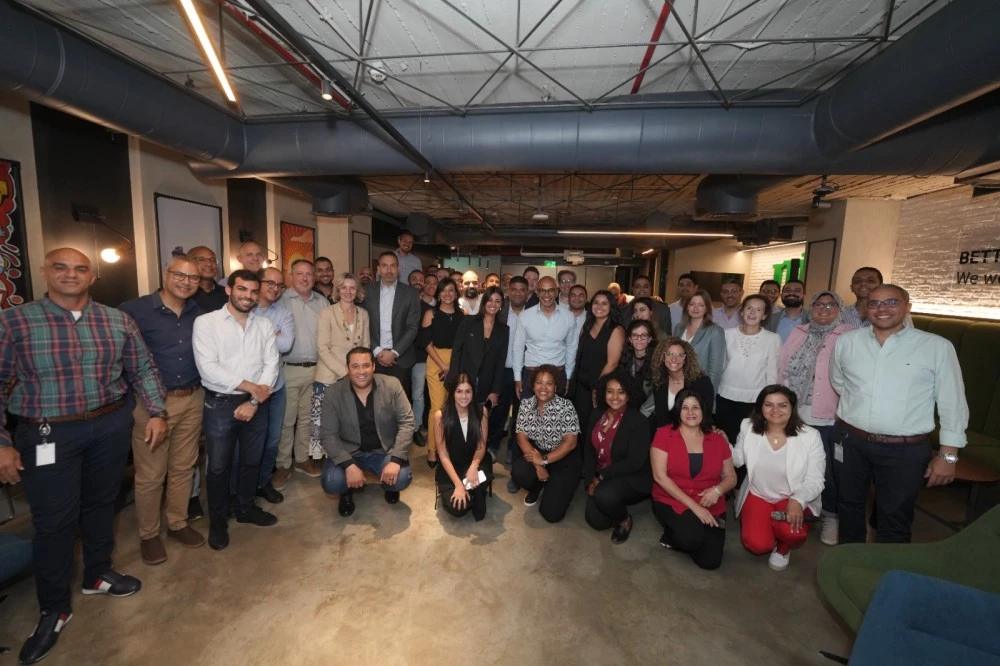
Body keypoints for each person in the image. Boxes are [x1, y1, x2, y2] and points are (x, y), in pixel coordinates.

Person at [0, 248, 168, 665]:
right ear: (45, 272)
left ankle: (97, 574)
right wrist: (2, 443)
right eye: (60, 267)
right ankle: (54, 608)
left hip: (108, 426)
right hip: (47, 432)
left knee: (101, 504)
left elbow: (143, 367)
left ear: (92, 277)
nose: (70, 274)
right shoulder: (14, 322)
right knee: (54, 521)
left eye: (80, 269)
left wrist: (157, 411)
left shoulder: (116, 320)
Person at [831, 284, 968, 544]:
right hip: (850, 441)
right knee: (848, 506)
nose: (882, 309)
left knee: (895, 518)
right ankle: (848, 562)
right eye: (874, 303)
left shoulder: (936, 347)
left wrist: (948, 455)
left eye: (891, 302)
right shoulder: (847, 342)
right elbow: (840, 383)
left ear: (908, 306)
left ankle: (888, 568)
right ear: (865, 309)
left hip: (905, 450)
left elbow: (953, 402)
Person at [118, 256, 206, 566]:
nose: (186, 282)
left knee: (184, 466)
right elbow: (121, 357)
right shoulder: (134, 310)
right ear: (166, 274)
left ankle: (178, 523)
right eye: (180, 275)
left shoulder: (200, 313)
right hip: (151, 403)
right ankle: (149, 534)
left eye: (193, 278)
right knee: (151, 473)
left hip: (193, 397)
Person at [192, 270, 281, 551]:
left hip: (257, 404)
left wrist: (253, 401)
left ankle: (245, 508)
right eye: (242, 289)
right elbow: (208, 368)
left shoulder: (264, 325)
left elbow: (272, 365)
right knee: (218, 467)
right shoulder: (206, 323)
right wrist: (251, 388)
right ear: (229, 289)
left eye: (253, 291)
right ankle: (218, 521)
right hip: (220, 404)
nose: (248, 296)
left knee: (252, 461)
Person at [778, 291, 854, 546]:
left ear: (840, 309)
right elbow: (782, 367)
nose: (824, 308)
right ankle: (796, 507)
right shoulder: (799, 331)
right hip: (794, 412)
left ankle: (831, 517)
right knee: (794, 465)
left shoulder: (849, 335)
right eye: (819, 304)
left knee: (826, 470)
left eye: (831, 305)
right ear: (810, 308)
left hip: (828, 416)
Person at [732, 385, 826, 571]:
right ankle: (769, 532)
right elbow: (737, 459)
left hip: (791, 497)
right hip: (758, 494)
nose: (775, 410)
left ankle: (784, 547)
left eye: (782, 405)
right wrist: (719, 442)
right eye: (769, 405)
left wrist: (798, 500)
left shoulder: (810, 436)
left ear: (792, 407)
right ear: (760, 407)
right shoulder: (748, 427)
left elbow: (816, 480)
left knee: (794, 534)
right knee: (756, 545)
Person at [319, 347, 414, 518]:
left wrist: (395, 460)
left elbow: (407, 422)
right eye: (355, 366)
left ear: (374, 367)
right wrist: (348, 465)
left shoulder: (392, 385)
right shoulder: (333, 393)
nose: (361, 371)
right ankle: (346, 492)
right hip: (350, 452)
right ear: (348, 368)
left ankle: (389, 485)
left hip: (383, 451)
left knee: (401, 478)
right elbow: (328, 435)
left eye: (366, 366)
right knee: (332, 481)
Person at [650, 389, 737, 570]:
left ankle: (687, 528)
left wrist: (718, 490)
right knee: (690, 540)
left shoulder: (718, 439)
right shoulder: (664, 434)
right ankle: (674, 531)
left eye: (695, 407)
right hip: (672, 498)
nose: (690, 412)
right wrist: (696, 509)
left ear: (703, 410)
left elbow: (731, 477)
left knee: (710, 562)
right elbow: (660, 477)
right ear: (678, 411)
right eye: (685, 407)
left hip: (709, 500)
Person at [583, 371, 652, 543]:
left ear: (629, 395)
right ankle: (611, 503)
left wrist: (600, 476)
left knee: (604, 496)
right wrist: (590, 479)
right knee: (596, 521)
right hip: (603, 473)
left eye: (621, 392)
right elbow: (589, 449)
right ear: (603, 393)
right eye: (610, 391)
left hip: (631, 475)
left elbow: (634, 462)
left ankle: (624, 520)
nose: (615, 397)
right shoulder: (597, 414)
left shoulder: (639, 422)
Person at [275, 259, 326, 481]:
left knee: (306, 418)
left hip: (316, 369)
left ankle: (302, 459)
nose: (305, 278)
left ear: (314, 277)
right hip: (289, 369)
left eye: (309, 274)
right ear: (290, 276)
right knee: (287, 420)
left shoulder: (322, 302)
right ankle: (283, 463)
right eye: (299, 273)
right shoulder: (281, 300)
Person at [511, 366, 582, 521]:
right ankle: (539, 485)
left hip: (565, 457)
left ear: (556, 387)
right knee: (519, 472)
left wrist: (544, 461)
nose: (543, 388)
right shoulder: (526, 405)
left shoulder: (566, 406)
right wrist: (538, 466)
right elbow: (521, 438)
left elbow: (570, 443)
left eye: (549, 383)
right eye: (539, 383)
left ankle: (556, 485)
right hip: (540, 452)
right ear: (533, 386)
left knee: (551, 514)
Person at [314, 272, 371, 467]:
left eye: (352, 287)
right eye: (344, 287)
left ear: (358, 291)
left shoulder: (363, 314)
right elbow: (322, 348)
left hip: (356, 378)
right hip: (330, 376)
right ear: (337, 290)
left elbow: (365, 347)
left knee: (349, 422)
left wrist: (358, 371)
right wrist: (344, 372)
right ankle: (329, 465)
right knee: (327, 424)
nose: (348, 291)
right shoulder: (327, 313)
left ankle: (349, 460)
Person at [249, 267, 295, 502]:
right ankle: (244, 488)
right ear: (259, 283)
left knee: (273, 439)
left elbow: (286, 344)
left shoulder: (284, 313)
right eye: (270, 283)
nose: (275, 288)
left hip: (276, 387)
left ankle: (262, 482)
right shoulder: (245, 307)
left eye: (279, 285)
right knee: (250, 442)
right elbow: (241, 343)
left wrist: (259, 334)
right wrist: (272, 334)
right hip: (248, 388)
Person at [715, 294, 780, 444]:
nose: (752, 313)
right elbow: (721, 366)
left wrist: (768, 401)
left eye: (758, 310)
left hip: (755, 401)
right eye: (749, 308)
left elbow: (772, 373)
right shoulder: (727, 334)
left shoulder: (772, 339)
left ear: (764, 315)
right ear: (741, 312)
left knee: (749, 442)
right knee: (724, 441)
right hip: (725, 397)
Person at [434, 374, 493, 521]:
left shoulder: (481, 412)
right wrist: (458, 485)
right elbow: (443, 455)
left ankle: (473, 489)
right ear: (452, 393)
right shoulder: (441, 416)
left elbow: (481, 446)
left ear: (473, 392)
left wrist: (474, 466)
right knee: (457, 508)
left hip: (476, 461)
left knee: (478, 478)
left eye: (468, 391)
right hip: (452, 466)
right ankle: (472, 491)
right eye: (459, 391)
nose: (464, 396)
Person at [420, 277, 465, 467]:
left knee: (454, 407)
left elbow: (465, 344)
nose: (448, 294)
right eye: (444, 290)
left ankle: (448, 447)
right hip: (436, 361)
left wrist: (453, 367)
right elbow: (426, 343)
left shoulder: (463, 315)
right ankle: (432, 449)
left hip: (457, 362)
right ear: (438, 293)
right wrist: (443, 366)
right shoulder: (431, 314)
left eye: (451, 290)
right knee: (437, 407)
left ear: (456, 293)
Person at [512, 276, 579, 399]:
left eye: (551, 290)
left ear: (557, 292)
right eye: (542, 290)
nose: (547, 294)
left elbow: (571, 348)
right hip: (531, 374)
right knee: (529, 411)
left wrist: (568, 376)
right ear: (537, 293)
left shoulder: (569, 317)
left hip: (558, 375)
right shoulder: (525, 316)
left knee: (557, 412)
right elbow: (518, 348)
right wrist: (517, 377)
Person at [365, 251, 422, 396]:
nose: (389, 270)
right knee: (375, 401)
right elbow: (363, 325)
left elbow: (412, 327)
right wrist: (378, 351)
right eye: (384, 266)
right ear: (378, 269)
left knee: (400, 403)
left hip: (401, 359)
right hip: (373, 358)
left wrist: (394, 353)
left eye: (393, 266)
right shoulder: (367, 292)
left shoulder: (411, 293)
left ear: (398, 269)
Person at [571, 289, 625, 440]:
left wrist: (597, 388)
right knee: (580, 427)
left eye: (604, 303)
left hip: (600, 388)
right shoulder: (587, 325)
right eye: (596, 302)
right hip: (581, 387)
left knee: (596, 428)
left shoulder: (616, 329)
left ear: (611, 307)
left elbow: (612, 363)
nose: (599, 306)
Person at [448, 286, 509, 411]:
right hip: (463, 380)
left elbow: (500, 361)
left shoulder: (504, 330)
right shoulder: (468, 321)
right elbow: (456, 352)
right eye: (490, 300)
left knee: (481, 419)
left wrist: (495, 391)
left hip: (486, 384)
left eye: (497, 301)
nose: (493, 304)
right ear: (484, 301)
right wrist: (456, 381)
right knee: (459, 418)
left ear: (501, 305)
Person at [497, 277, 530, 485]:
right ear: (508, 291)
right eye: (514, 289)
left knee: (520, 415)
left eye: (522, 289)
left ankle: (513, 448)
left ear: (527, 292)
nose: (518, 293)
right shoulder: (500, 311)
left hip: (524, 373)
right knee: (498, 412)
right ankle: (492, 447)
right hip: (501, 370)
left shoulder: (532, 313)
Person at [652, 337, 716, 429]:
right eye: (669, 354)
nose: (674, 359)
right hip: (669, 432)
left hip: (695, 431)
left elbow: (706, 416)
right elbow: (661, 418)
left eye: (680, 355)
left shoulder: (702, 382)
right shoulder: (659, 381)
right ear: (663, 357)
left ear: (685, 359)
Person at [672, 289, 726, 392]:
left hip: (700, 387)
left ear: (707, 308)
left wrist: (709, 394)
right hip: (677, 385)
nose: (696, 308)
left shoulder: (715, 331)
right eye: (692, 304)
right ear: (686, 307)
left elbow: (715, 370)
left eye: (701, 305)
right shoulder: (679, 328)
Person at [412, 271, 438, 446]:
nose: (431, 286)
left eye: (434, 283)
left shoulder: (442, 304)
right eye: (427, 282)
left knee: (433, 394)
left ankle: (432, 423)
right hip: (420, 356)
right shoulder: (416, 304)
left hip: (438, 357)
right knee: (418, 394)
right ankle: (416, 427)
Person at [619, 320, 657, 418]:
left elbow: (658, 394)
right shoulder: (625, 359)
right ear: (630, 339)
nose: (639, 339)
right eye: (635, 335)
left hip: (649, 413)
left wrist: (641, 414)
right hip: (628, 410)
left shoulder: (658, 361)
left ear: (650, 339)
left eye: (643, 335)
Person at [188, 245, 228, 312]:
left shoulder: (227, 293)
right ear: (189, 263)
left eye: (213, 260)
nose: (209, 264)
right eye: (201, 259)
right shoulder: (184, 293)